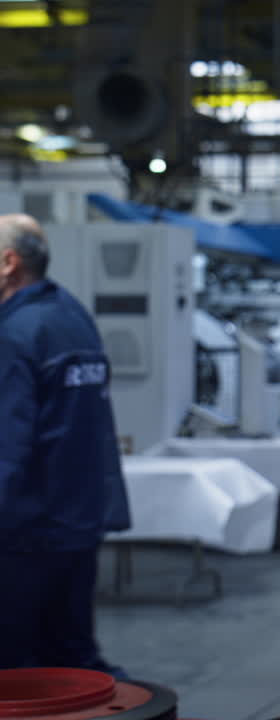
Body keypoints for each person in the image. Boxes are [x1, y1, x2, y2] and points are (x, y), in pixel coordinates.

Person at [0, 214, 130, 675]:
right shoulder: (72, 316)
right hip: (78, 521)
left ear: (8, 263)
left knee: (17, 669)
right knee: (71, 655)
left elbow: (8, 444)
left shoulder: (13, 334)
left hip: (25, 531)